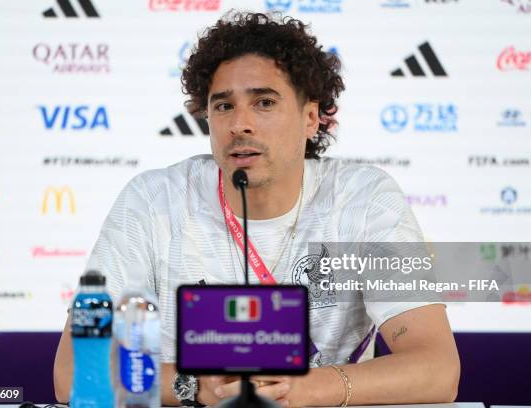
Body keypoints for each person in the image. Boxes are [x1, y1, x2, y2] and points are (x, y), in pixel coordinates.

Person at [54, 11, 460, 407]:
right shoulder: (152, 201)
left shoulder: (364, 200)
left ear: (311, 118)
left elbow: (437, 368)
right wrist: (192, 386)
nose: (239, 124)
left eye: (264, 103)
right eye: (223, 106)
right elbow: (72, 372)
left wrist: (307, 389)